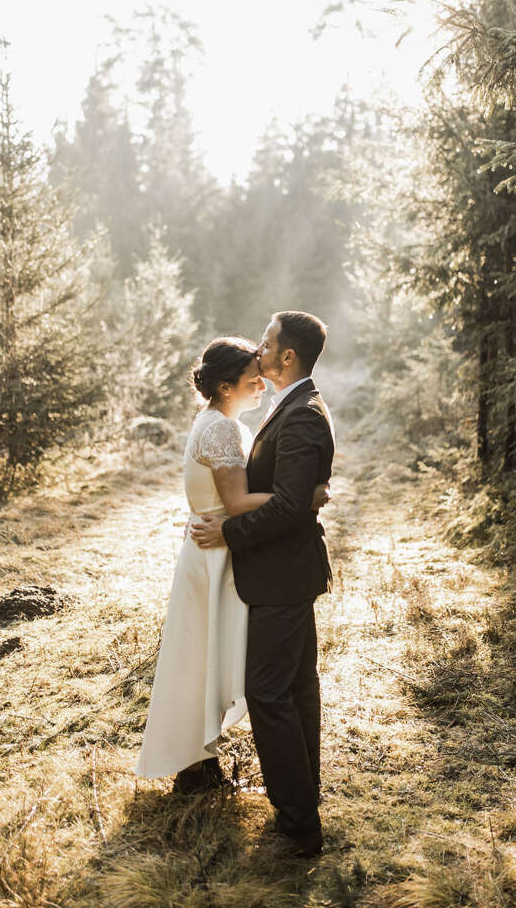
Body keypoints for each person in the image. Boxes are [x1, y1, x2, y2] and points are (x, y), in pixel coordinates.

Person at [134, 336, 329, 793]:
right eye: (250, 378)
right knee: (204, 658)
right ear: (225, 387)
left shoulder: (223, 422)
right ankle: (193, 763)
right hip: (215, 555)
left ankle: (199, 760)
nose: (260, 381)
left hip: (219, 550)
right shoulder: (221, 429)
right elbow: (237, 501)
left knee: (204, 658)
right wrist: (304, 497)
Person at [192, 311, 335, 858]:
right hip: (287, 574)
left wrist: (228, 532)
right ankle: (303, 807)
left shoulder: (302, 417)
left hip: (281, 576)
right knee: (297, 689)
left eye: (268, 342)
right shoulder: (292, 406)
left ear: (288, 357)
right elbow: (293, 496)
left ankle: (297, 824)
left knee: (269, 693)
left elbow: (287, 508)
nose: (260, 347)